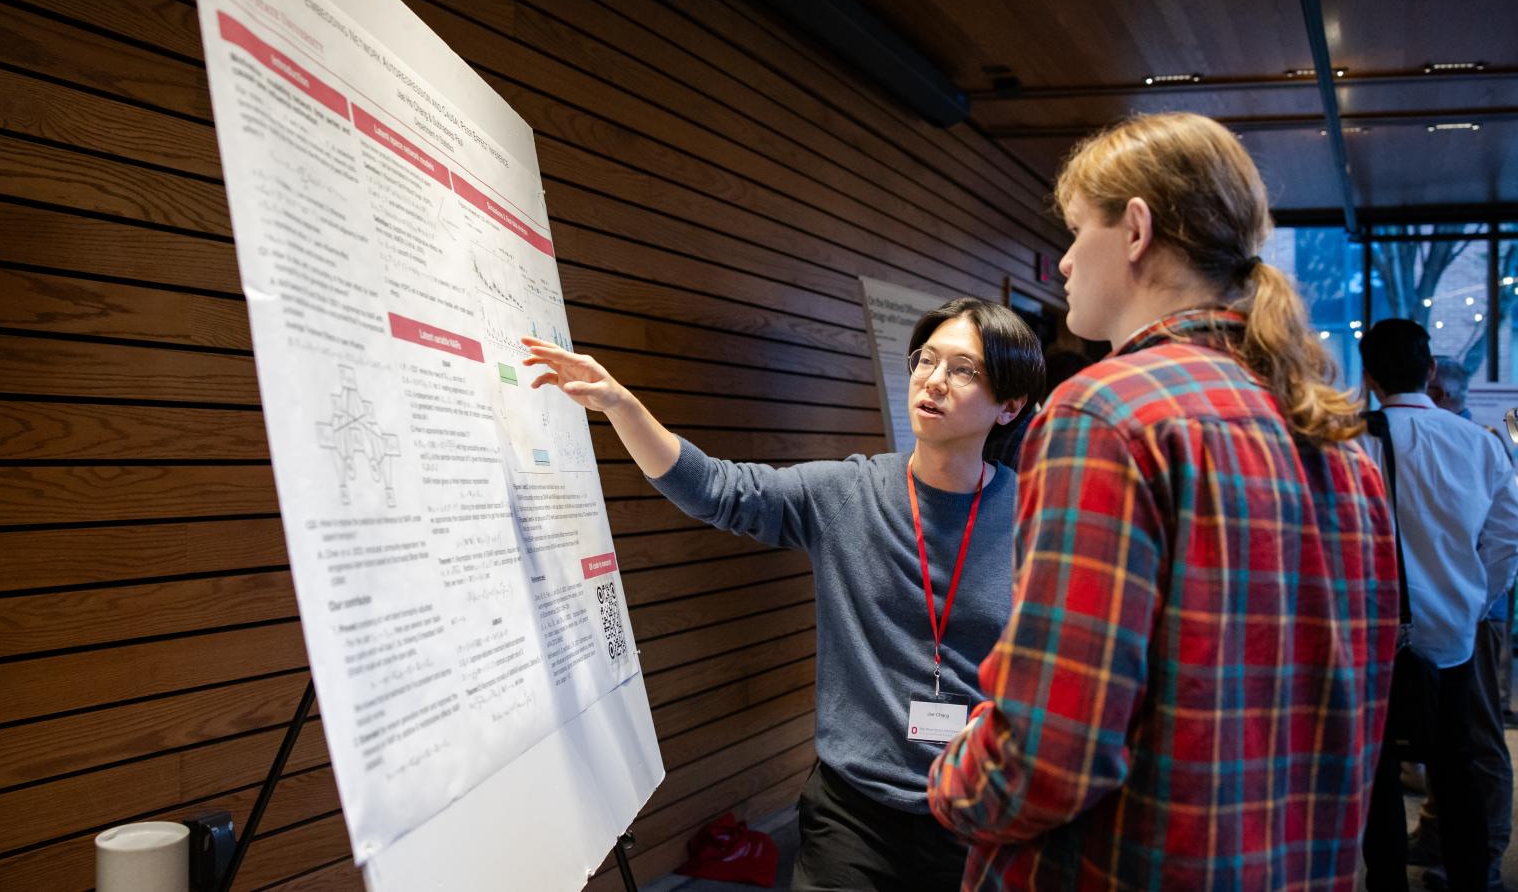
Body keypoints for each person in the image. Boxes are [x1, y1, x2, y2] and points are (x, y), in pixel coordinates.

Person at [926, 111, 1399, 889]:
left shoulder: (1106, 414)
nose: (1065, 263)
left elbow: (1049, 748)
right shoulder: (1338, 440)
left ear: (1136, 230)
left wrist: (948, 783)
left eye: (1078, 231)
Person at [522, 296, 1045, 892]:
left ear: (1009, 405)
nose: (934, 381)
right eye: (926, 361)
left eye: (964, 369)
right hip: (855, 813)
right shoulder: (849, 493)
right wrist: (622, 406)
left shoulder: (1037, 517)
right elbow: (718, 490)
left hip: (978, 810)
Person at [1357, 324, 1518, 892]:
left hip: (1371, 641)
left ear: (1369, 376)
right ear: (1429, 372)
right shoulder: (1479, 442)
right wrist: (1478, 601)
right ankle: (1473, 876)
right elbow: (1508, 537)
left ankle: (1387, 881)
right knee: (1458, 767)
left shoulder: (1353, 444)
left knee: (1375, 772)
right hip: (1453, 637)